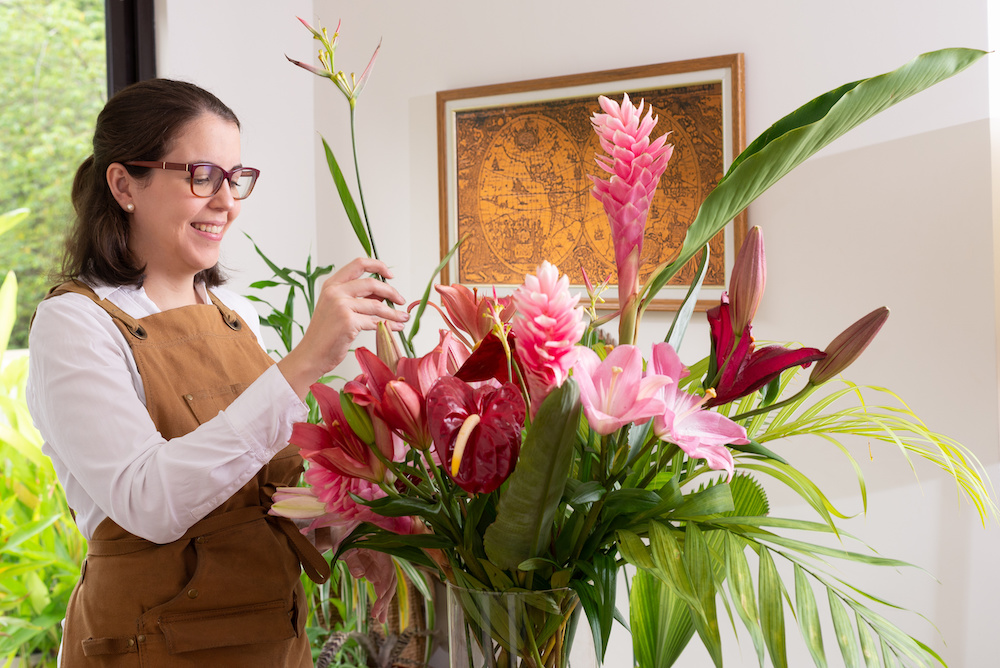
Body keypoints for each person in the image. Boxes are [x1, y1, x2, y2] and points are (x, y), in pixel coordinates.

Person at [26, 78, 408, 667]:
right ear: (125, 183)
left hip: (273, 639)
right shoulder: (74, 323)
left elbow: (258, 496)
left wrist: (357, 519)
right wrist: (304, 363)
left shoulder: (237, 317)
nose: (226, 201)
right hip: (149, 645)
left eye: (235, 178)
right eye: (200, 176)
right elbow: (149, 500)